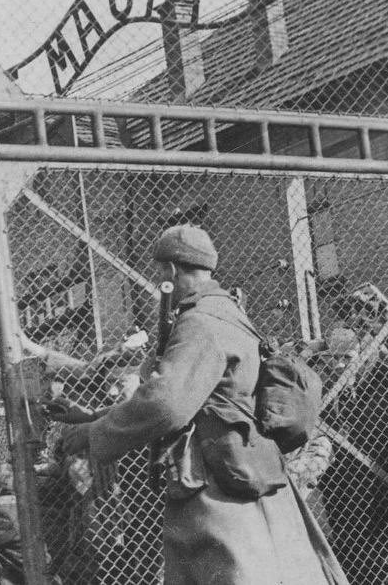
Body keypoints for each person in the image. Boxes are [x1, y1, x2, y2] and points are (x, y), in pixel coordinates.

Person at [46, 224, 344, 584]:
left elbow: (167, 404)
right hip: (249, 470)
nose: (159, 282)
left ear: (172, 271)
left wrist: (94, 433)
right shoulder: (231, 314)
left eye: (160, 273)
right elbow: (193, 395)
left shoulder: (199, 323)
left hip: (216, 483)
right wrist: (95, 416)